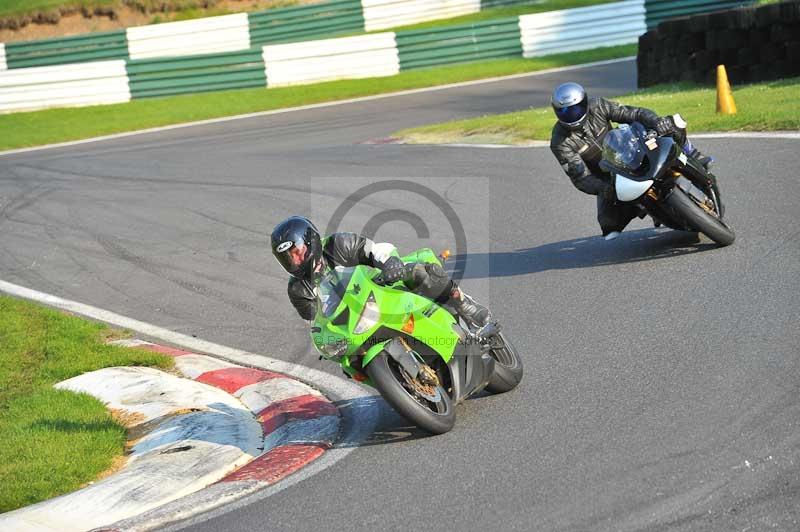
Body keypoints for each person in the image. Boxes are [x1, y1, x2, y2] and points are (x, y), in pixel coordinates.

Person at [549, 82, 714, 240]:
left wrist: (656, 122)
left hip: (631, 150)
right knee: (609, 225)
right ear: (556, 112)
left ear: (584, 102)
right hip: (610, 177)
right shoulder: (560, 143)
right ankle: (651, 209)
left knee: (672, 124)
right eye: (564, 112)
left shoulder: (598, 106)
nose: (571, 114)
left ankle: (693, 154)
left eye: (576, 108)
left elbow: (633, 113)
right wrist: (606, 189)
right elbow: (581, 178)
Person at [270, 216, 489, 327]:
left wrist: (390, 264)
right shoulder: (298, 290)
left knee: (419, 273)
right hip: (354, 322)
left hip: (382, 289)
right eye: (287, 258)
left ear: (311, 241)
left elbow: (374, 250)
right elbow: (316, 325)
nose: (295, 260)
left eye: (297, 252)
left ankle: (463, 303)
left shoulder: (337, 245)